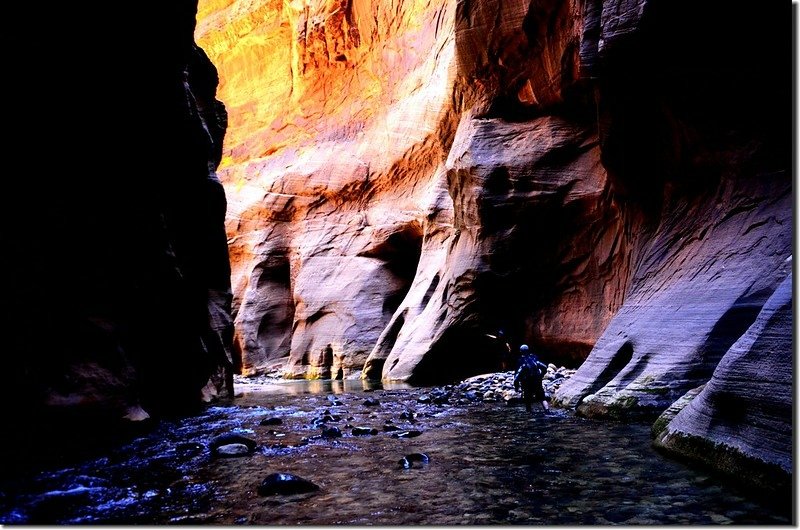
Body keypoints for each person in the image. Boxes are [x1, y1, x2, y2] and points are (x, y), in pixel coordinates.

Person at [513, 344, 549, 413]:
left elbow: (517, 376)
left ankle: (529, 414)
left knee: (528, 400)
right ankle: (547, 411)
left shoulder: (520, 361)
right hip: (537, 381)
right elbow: (544, 367)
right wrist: (541, 375)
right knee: (542, 398)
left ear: (521, 351)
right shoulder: (534, 358)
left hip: (527, 383)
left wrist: (516, 386)